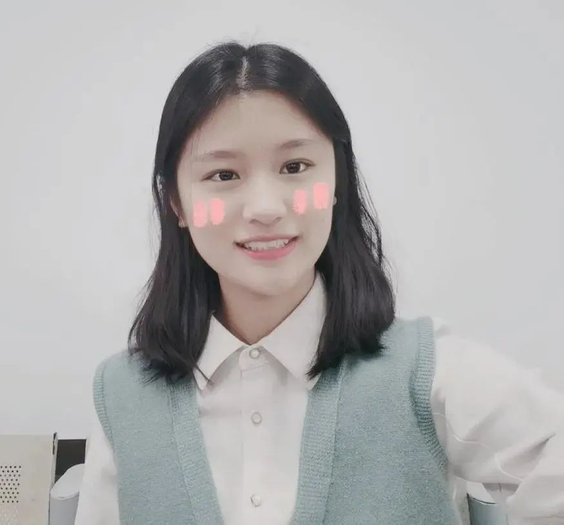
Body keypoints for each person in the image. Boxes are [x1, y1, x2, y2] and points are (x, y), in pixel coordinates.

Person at [74, 41, 564, 524]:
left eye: (295, 167)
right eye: (223, 175)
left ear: (336, 183)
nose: (265, 208)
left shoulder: (427, 372)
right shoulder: (120, 396)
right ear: (176, 204)